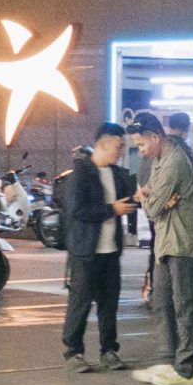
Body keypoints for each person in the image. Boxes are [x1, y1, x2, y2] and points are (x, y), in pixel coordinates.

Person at [127, 112, 193, 385]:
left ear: (155, 137)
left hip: (183, 241)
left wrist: (151, 198)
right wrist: (156, 197)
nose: (141, 151)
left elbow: (150, 207)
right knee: (161, 300)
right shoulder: (159, 159)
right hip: (165, 242)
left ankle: (186, 370)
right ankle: (167, 358)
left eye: (141, 145)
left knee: (184, 305)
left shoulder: (174, 162)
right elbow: (153, 198)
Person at [61, 124, 136, 372]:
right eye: (119, 146)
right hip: (86, 251)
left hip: (110, 251)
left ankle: (109, 350)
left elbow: (127, 200)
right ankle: (73, 352)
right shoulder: (81, 174)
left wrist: (140, 196)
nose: (122, 151)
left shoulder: (117, 174)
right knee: (80, 302)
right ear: (103, 143)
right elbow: (77, 211)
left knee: (109, 303)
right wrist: (111, 210)